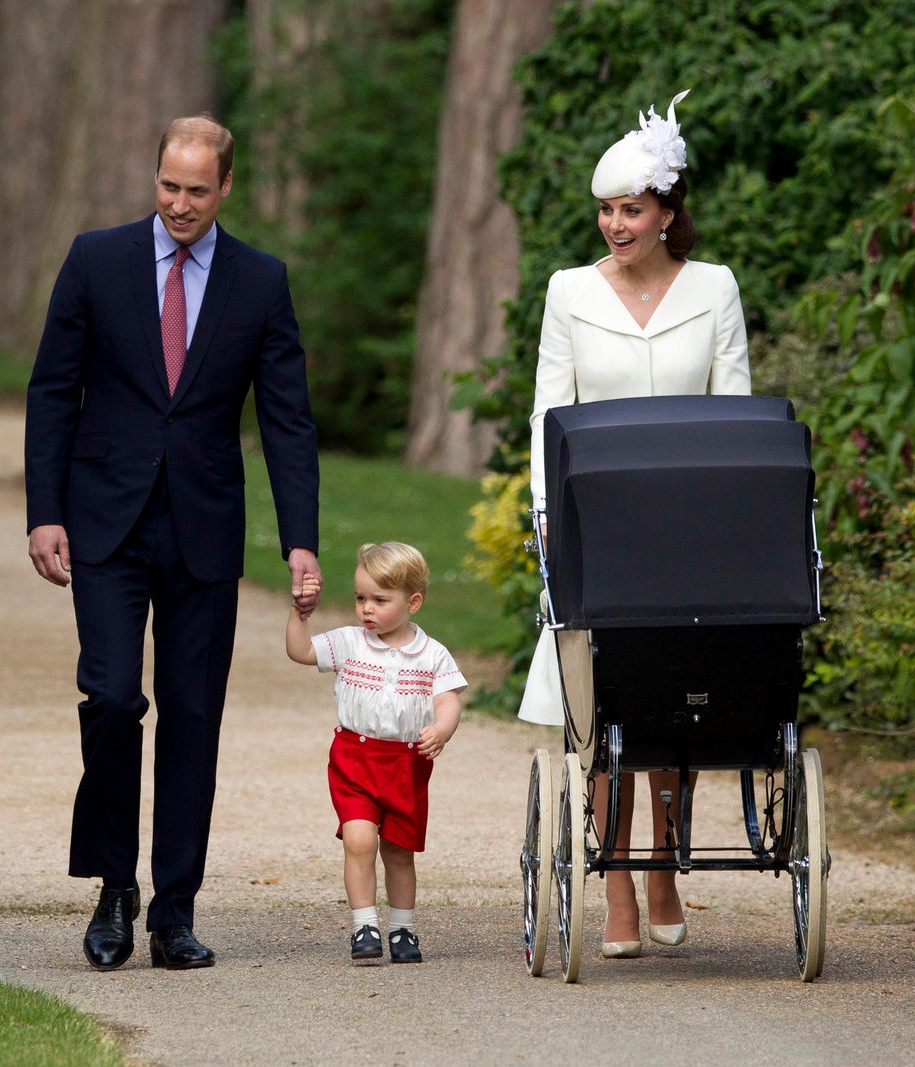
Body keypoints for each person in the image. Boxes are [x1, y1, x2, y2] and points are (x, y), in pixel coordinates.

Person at [25, 114, 321, 971]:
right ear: (153, 177)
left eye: (197, 189)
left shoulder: (260, 282)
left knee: (194, 717)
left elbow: (288, 422)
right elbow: (53, 392)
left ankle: (174, 909)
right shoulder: (96, 259)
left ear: (226, 187)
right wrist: (46, 511)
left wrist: (299, 538)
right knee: (114, 698)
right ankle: (113, 884)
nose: (180, 204)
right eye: (168, 185)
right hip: (105, 521)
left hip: (203, 527)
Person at [517, 91, 751, 958]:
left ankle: (663, 867)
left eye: (632, 209)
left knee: (674, 708)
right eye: (607, 210)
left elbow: (737, 406)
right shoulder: (569, 291)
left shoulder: (715, 288)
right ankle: (615, 883)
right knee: (604, 709)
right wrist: (546, 513)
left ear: (667, 211)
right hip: (599, 523)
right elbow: (551, 408)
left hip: (693, 526)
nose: (616, 224)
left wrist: (739, 518)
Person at [285, 543, 466, 964]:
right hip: (355, 758)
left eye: (380, 600)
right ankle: (364, 925)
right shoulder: (350, 643)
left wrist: (441, 729)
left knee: (399, 850)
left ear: (413, 602)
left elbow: (449, 700)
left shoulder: (432, 654)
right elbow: (301, 652)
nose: (367, 608)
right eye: (360, 598)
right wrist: (300, 614)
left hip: (406, 763)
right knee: (359, 839)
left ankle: (403, 929)